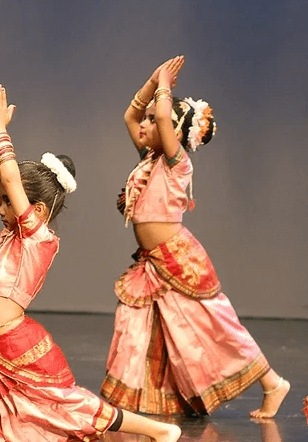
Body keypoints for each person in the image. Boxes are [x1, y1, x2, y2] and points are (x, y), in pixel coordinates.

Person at [0, 84, 181, 442]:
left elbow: (9, 178)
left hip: (15, 345)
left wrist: (0, 129)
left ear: (35, 209)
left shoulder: (37, 238)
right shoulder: (15, 233)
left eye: (8, 202)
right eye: (2, 201)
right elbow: (1, 178)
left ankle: (159, 430)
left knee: (69, 407)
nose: (1, 208)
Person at [100, 56, 290, 419]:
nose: (145, 125)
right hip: (153, 262)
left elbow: (161, 117)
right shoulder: (150, 157)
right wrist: (152, 82)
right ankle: (140, 400)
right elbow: (130, 116)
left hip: (178, 260)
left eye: (154, 122)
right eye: (149, 120)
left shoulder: (177, 163)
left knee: (215, 327)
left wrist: (164, 87)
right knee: (139, 322)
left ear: (172, 133)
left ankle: (273, 383)